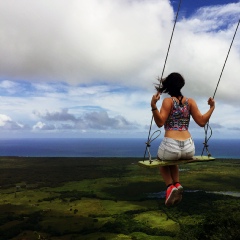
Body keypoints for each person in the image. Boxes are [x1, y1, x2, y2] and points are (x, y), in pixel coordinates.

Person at [150, 72, 215, 207]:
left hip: (170, 145)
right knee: (174, 161)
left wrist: (154, 106)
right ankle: (177, 184)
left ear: (168, 86)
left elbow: (160, 122)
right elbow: (202, 122)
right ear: (181, 85)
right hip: (189, 147)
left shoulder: (168, 101)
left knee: (161, 161)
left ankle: (169, 186)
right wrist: (212, 107)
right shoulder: (190, 102)